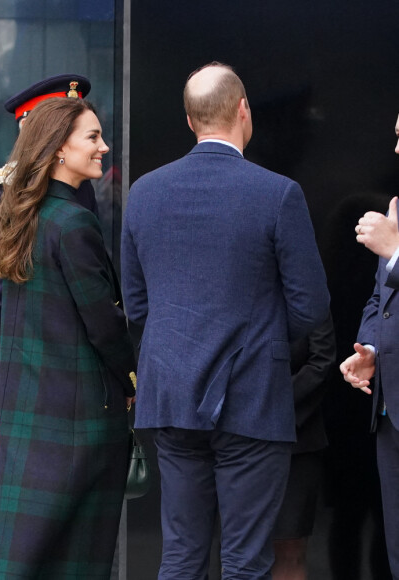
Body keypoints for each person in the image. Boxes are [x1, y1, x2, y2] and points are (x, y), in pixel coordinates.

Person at [120, 62, 330, 579]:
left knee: (181, 553)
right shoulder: (278, 193)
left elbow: (137, 304)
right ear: (243, 111)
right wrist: (259, 342)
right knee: (245, 559)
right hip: (253, 398)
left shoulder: (144, 192)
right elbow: (312, 307)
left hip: (171, 393)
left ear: (190, 122)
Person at [0, 96, 136, 578]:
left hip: (32, 410)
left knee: (30, 557)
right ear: (57, 151)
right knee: (74, 561)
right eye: (92, 137)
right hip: (77, 422)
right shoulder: (72, 222)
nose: (104, 147)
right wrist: (131, 380)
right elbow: (103, 323)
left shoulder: (26, 213)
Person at [0, 74, 99, 478]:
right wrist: (65, 312)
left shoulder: (80, 192)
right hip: (10, 370)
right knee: (5, 507)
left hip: (62, 372)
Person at [340, 112, 399, 579]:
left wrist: (396, 254)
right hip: (389, 409)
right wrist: (372, 350)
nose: (396, 149)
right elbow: (381, 297)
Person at [272, 315, 336, 580]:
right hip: (235, 439)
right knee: (238, 546)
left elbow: (322, 360)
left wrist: (269, 403)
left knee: (291, 549)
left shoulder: (308, 292)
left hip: (297, 440)